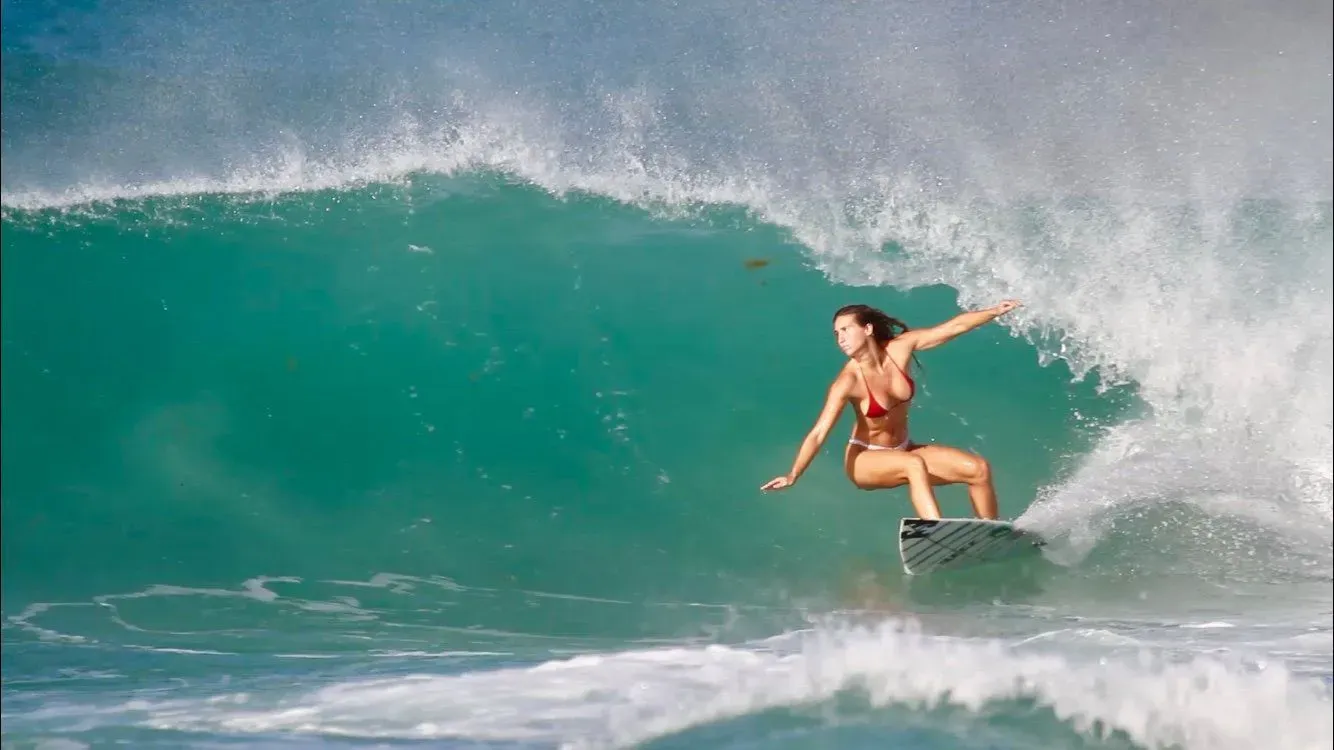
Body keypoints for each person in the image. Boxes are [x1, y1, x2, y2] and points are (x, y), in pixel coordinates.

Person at [760, 299, 1021, 520]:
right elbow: (819, 433)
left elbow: (951, 328)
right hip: (865, 459)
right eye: (836, 333)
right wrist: (793, 474)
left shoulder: (899, 349)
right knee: (913, 464)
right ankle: (934, 531)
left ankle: (990, 535)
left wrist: (994, 311)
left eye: (846, 330)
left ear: (868, 329)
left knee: (978, 469)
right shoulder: (848, 382)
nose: (840, 338)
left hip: (903, 448)